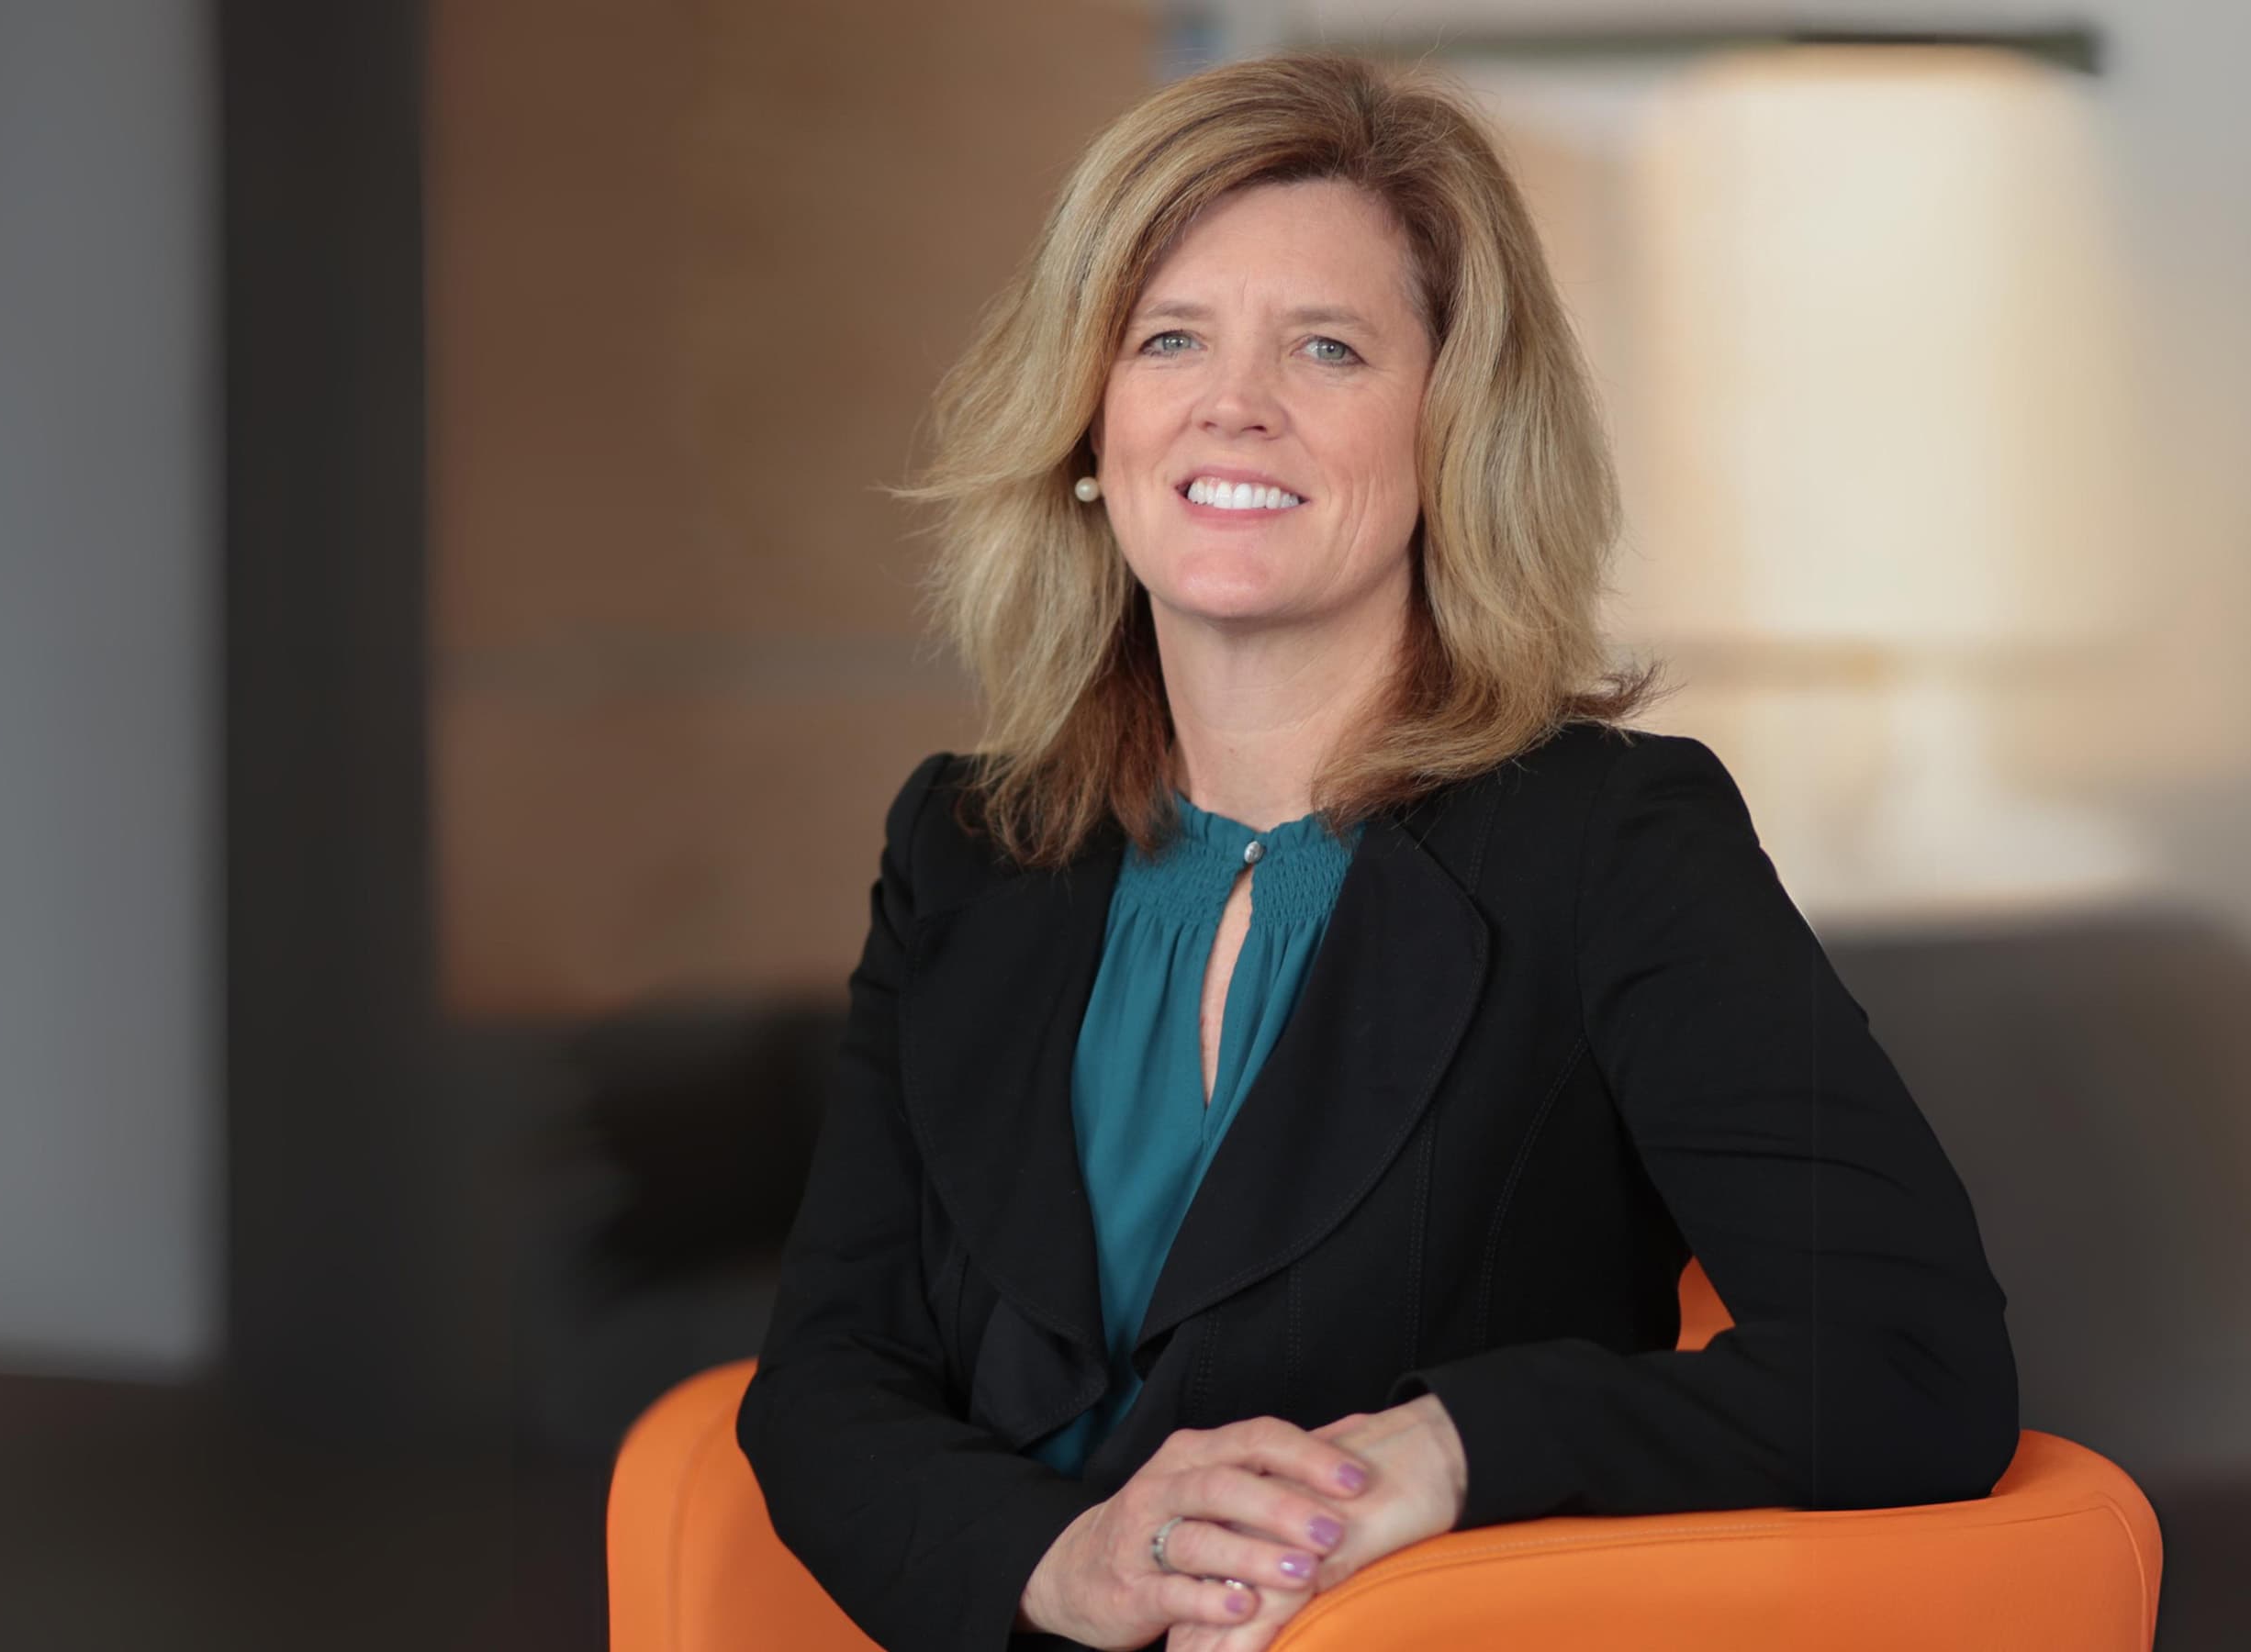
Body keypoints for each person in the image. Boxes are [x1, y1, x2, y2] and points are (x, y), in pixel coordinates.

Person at [734, 49, 2018, 1652]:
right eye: (1169, 338)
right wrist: (1064, 1564)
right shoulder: (969, 844)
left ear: (1452, 430)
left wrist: (1443, 1452)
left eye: (1328, 348)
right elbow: (826, 1380)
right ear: (1091, 419)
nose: (1233, 404)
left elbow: (1909, 1359)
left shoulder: (1614, 843)